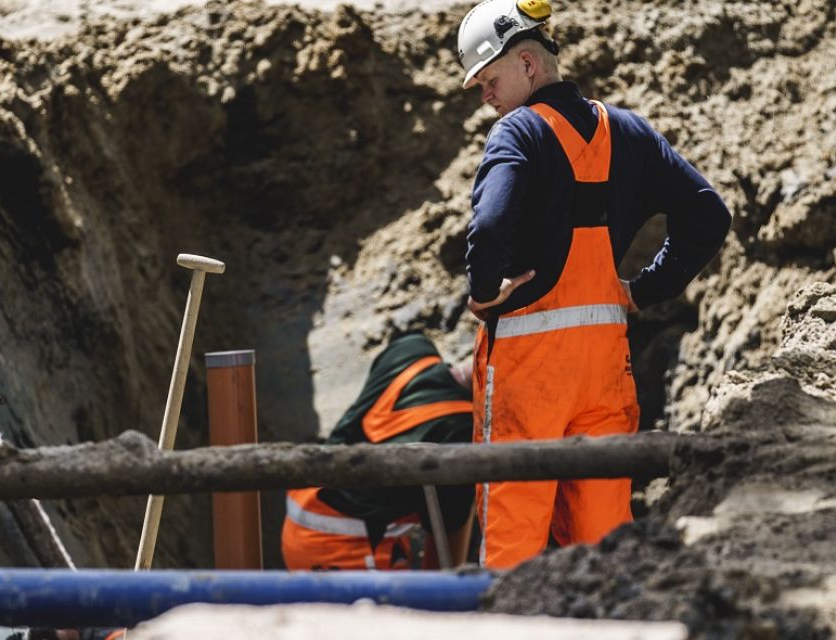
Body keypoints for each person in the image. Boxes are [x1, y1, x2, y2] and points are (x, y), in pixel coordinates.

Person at [454, 0, 730, 569]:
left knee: (512, 545)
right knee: (604, 546)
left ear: (528, 65)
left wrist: (484, 292)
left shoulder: (518, 132)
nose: (484, 94)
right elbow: (708, 213)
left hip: (528, 373)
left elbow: (489, 225)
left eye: (488, 78)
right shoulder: (626, 131)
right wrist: (645, 288)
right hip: (605, 367)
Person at [283, 333, 477, 571]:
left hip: (304, 506)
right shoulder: (459, 434)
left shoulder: (412, 349)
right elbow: (444, 561)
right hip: (343, 548)